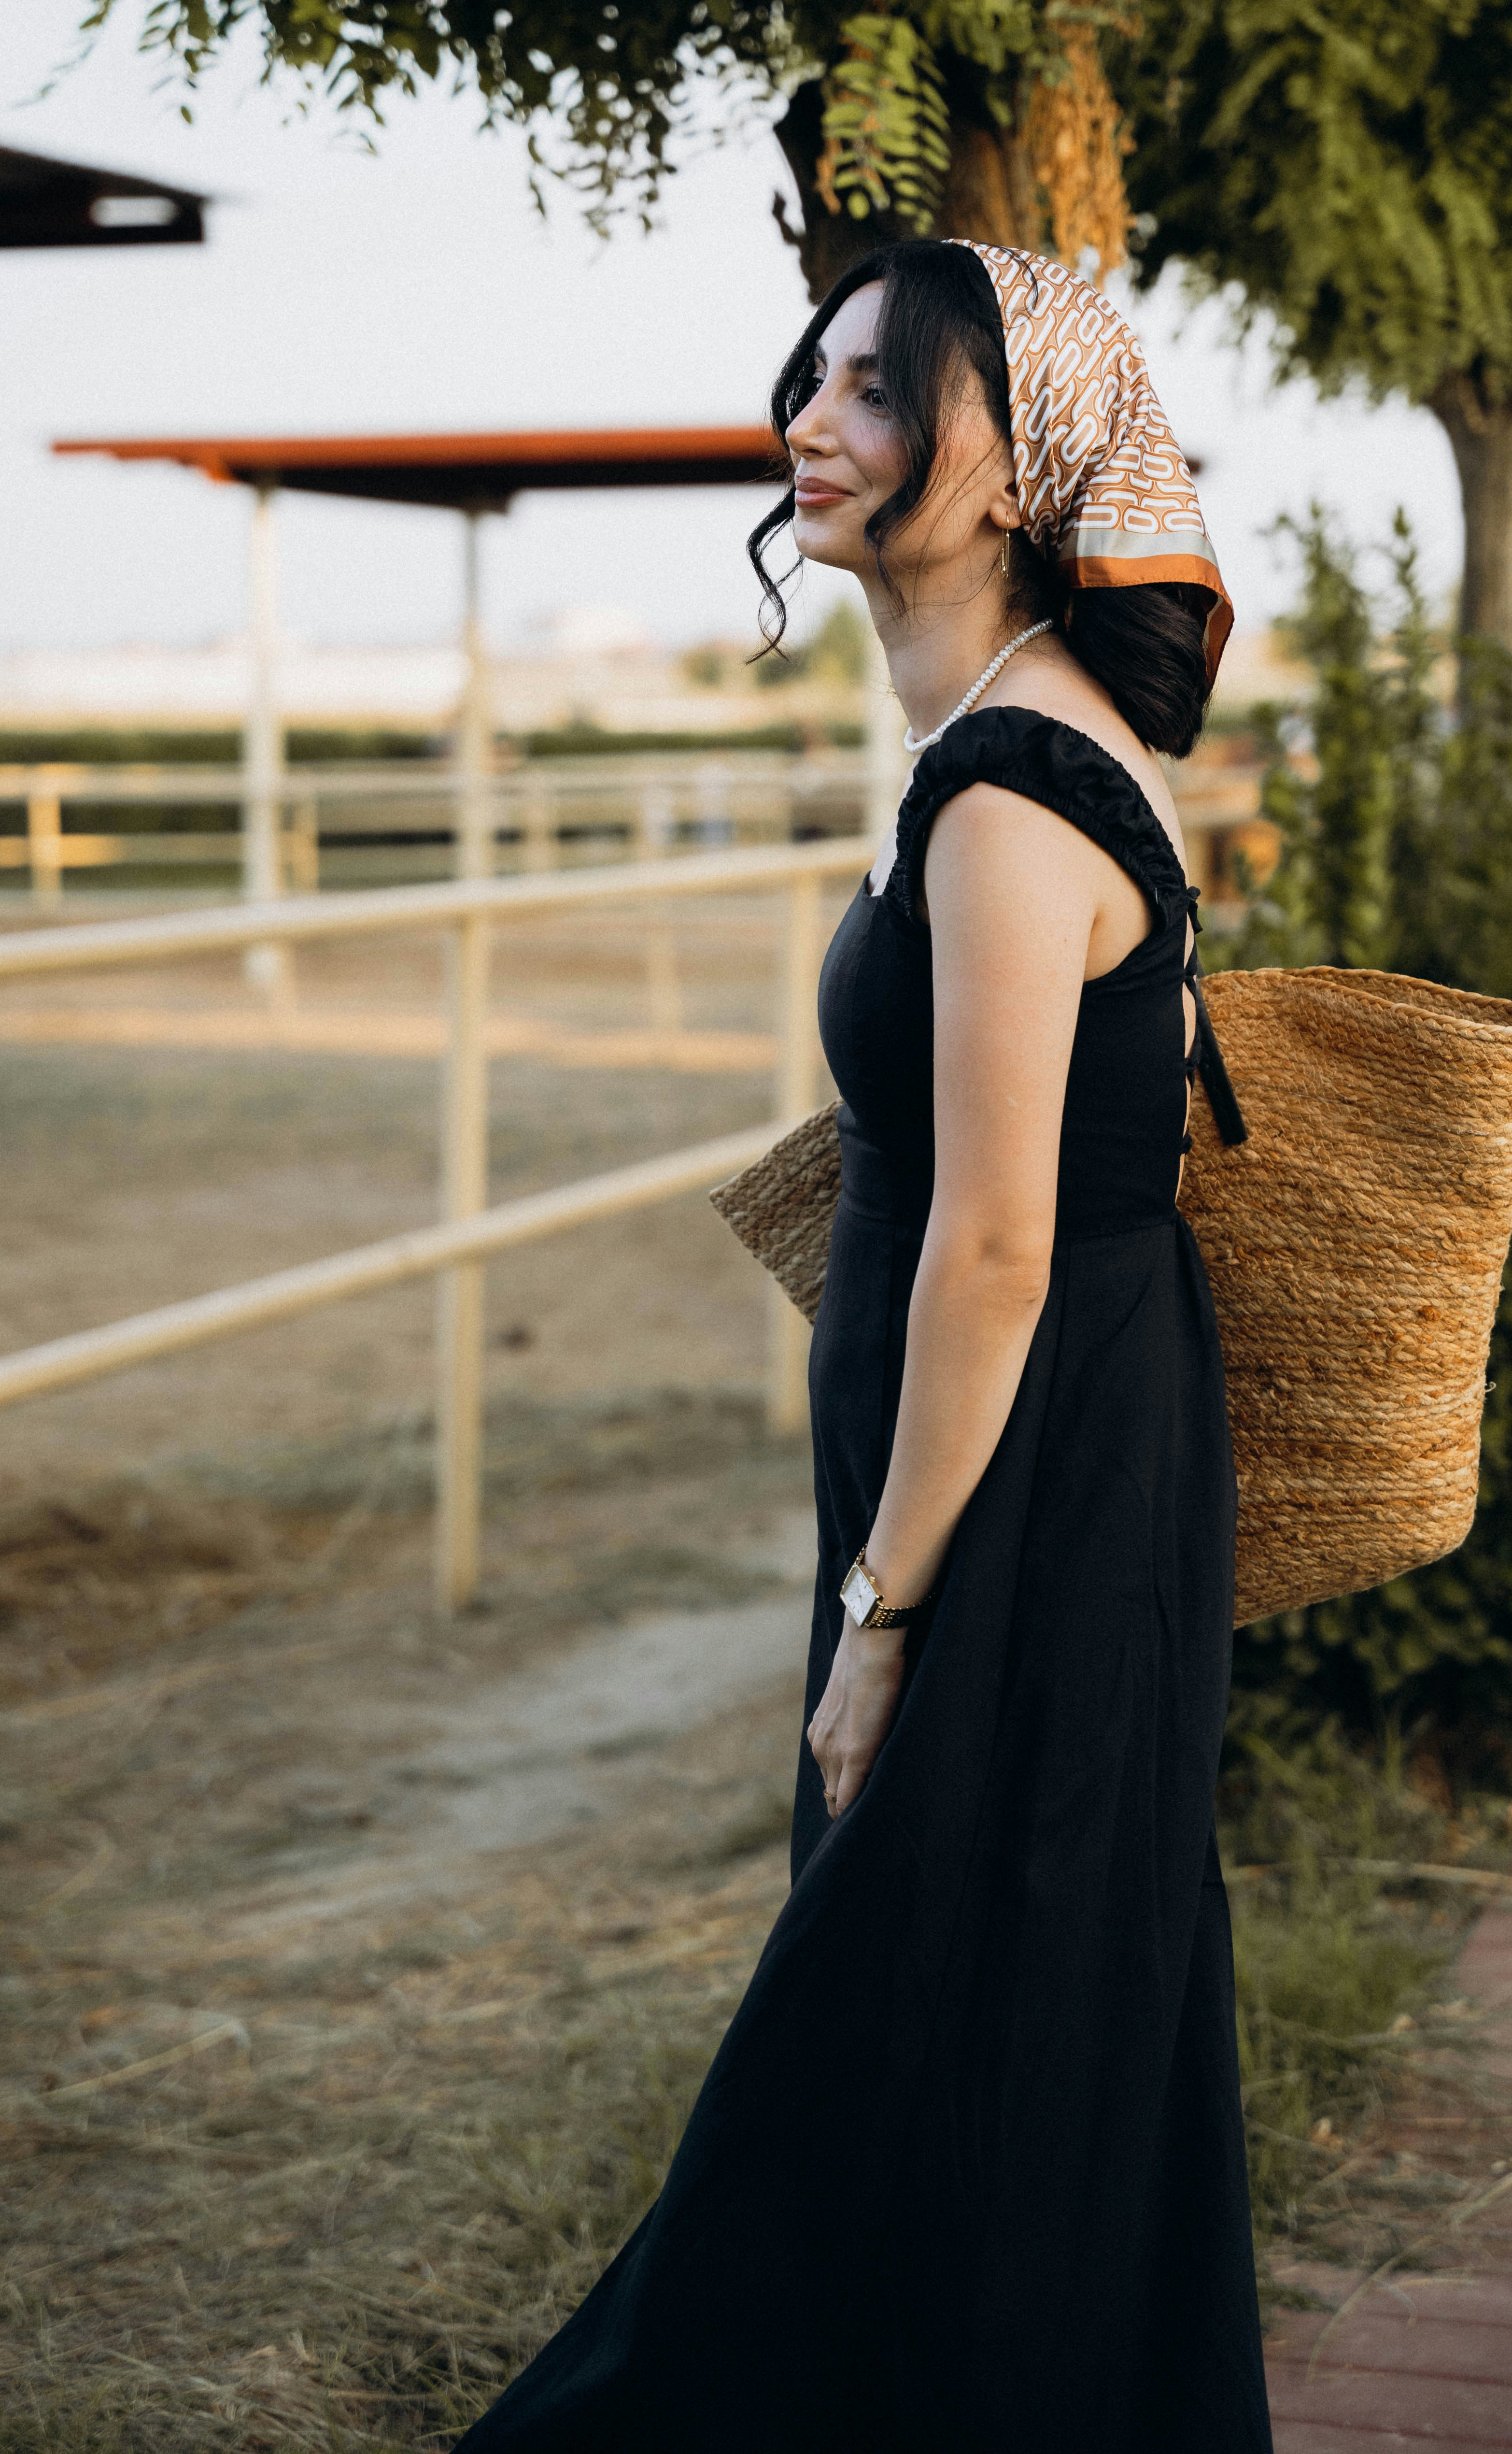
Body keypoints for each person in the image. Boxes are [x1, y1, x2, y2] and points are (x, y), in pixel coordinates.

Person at [456, 238, 1274, 2454]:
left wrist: (882, 1621)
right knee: (998, 2017)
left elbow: (996, 1247)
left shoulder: (1009, 789)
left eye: (881, 392)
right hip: (1032, 1449)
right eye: (815, 379)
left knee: (933, 2025)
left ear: (1017, 469)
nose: (809, 427)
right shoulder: (999, 742)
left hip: (1021, 1485)